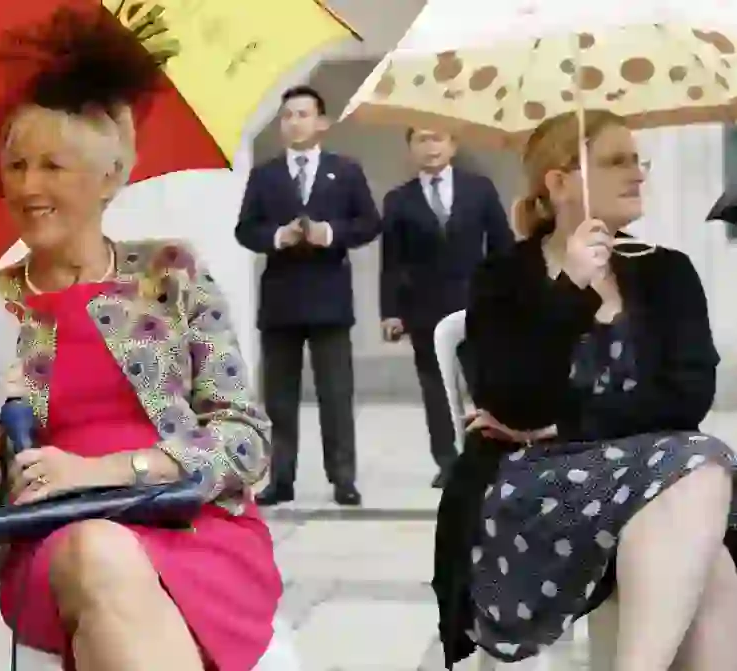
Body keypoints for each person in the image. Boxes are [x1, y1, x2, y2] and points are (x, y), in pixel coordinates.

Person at [0, 8, 283, 671]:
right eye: (15, 165)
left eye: (53, 165)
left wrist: (101, 471)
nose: (28, 186)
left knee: (114, 609)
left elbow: (245, 437)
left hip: (195, 526)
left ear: (109, 177)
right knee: (98, 552)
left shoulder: (170, 271)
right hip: (51, 544)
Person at [432, 110, 737, 669]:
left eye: (636, 160)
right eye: (616, 160)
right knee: (704, 487)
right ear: (560, 181)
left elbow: (688, 397)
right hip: (529, 487)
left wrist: (567, 424)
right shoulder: (502, 277)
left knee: (710, 535)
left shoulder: (668, 272)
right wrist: (571, 288)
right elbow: (509, 399)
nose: (637, 174)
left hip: (642, 475)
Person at [235, 85, 381, 507]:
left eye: (303, 114)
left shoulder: (346, 170)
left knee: (336, 395)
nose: (294, 122)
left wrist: (329, 233)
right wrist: (278, 236)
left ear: (322, 122)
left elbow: (369, 223)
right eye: (287, 116)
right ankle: (280, 478)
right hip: (280, 300)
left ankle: (343, 478)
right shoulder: (265, 175)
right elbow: (245, 229)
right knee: (279, 398)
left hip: (330, 299)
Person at [379, 128, 513, 488]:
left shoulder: (479, 189)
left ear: (453, 144)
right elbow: (391, 261)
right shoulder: (398, 200)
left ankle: (491, 455)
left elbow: (502, 246)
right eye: (422, 139)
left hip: (478, 304)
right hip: (424, 308)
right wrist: (390, 311)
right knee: (436, 389)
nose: (431, 146)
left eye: (437, 138)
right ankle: (448, 461)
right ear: (410, 148)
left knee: (485, 384)